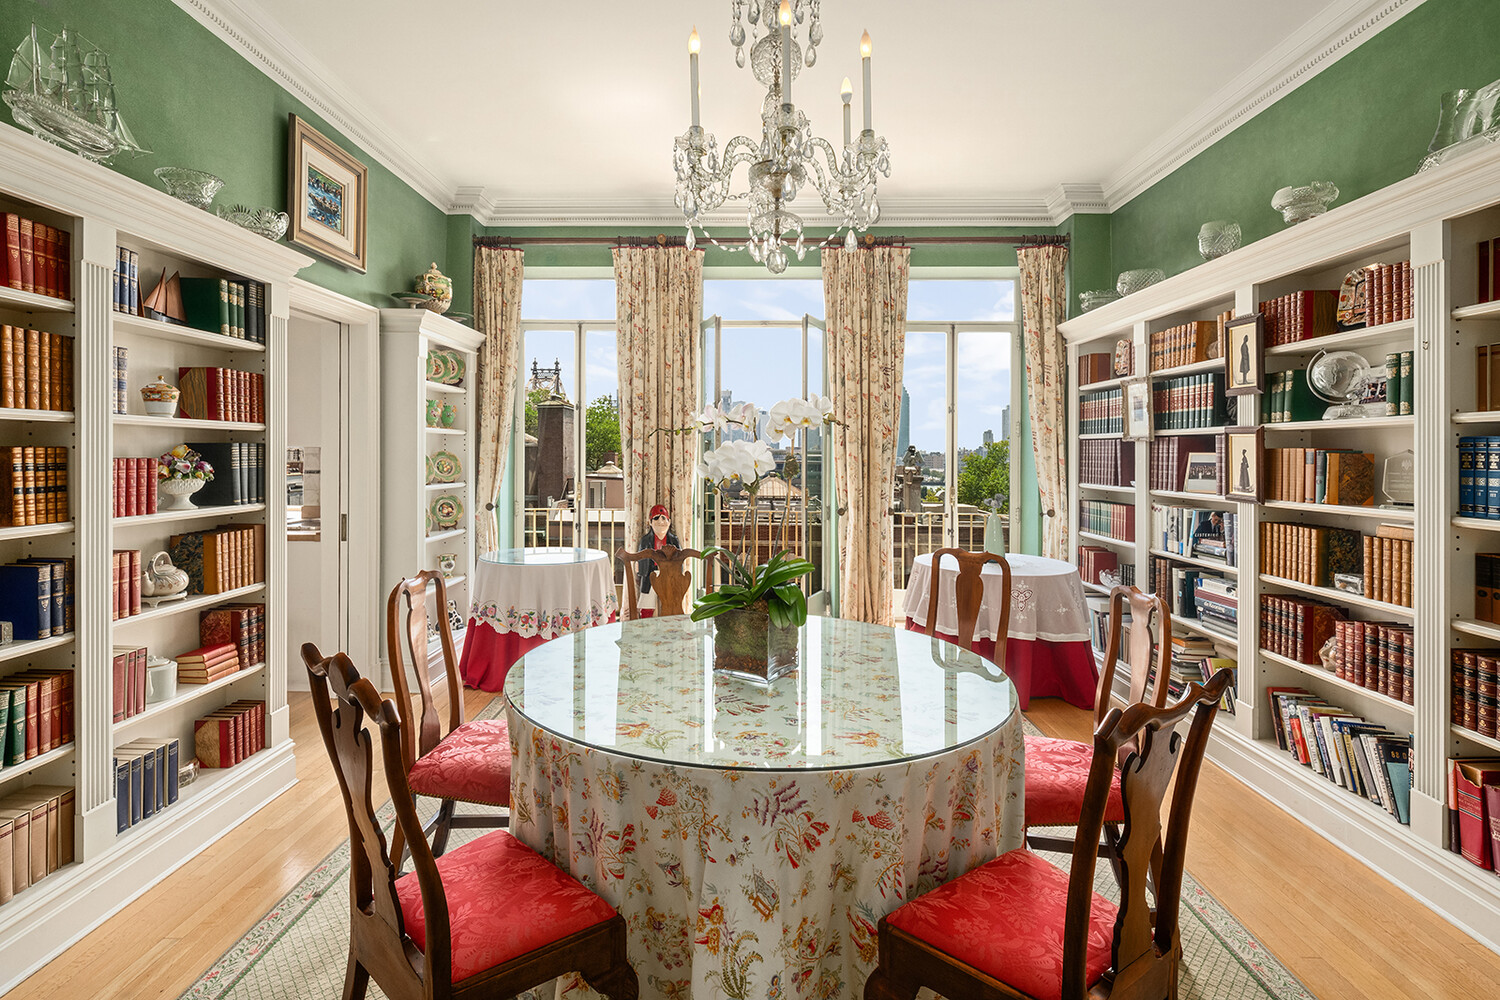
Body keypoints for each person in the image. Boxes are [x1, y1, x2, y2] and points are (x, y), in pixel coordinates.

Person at [635, 504, 680, 617]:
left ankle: (670, 627)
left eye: (664, 518)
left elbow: (680, 558)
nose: (661, 521)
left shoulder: (673, 540)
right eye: (656, 518)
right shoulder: (646, 540)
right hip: (650, 574)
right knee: (646, 602)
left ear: (669, 522)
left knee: (671, 603)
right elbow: (641, 558)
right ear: (650, 522)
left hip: (669, 575)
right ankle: (646, 625)